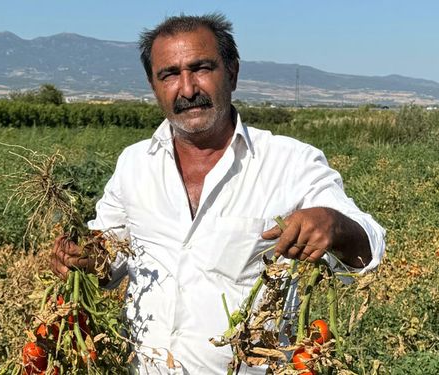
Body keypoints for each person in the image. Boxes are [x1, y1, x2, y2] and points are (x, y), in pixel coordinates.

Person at [52, 13, 385, 374]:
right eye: (170, 74)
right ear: (153, 86)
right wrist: (86, 258)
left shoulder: (290, 162)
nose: (188, 89)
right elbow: (111, 257)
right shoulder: (134, 164)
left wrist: (334, 224)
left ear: (233, 73)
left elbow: (370, 246)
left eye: (201, 68)